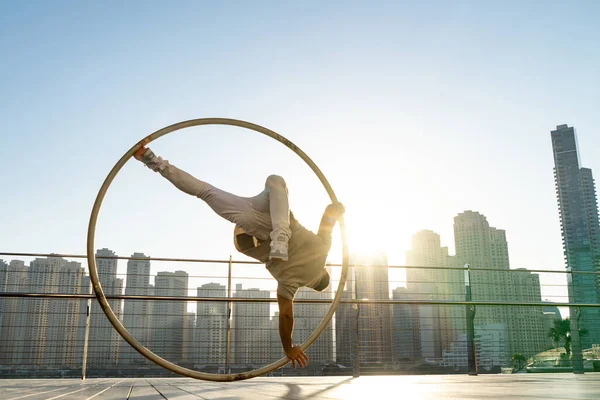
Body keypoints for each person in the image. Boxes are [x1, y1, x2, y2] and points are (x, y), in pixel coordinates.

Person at [134, 146, 345, 368]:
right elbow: (286, 317)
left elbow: (328, 218)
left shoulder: (323, 249)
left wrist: (337, 209)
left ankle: (152, 159)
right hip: (251, 233)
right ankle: (150, 160)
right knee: (205, 192)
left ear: (324, 272)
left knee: (275, 180)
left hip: (268, 216)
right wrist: (288, 347)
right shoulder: (289, 284)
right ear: (312, 286)